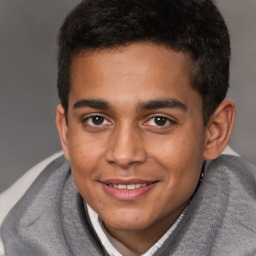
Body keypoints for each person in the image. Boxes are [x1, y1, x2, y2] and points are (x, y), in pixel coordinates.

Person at [1, 0, 256, 255]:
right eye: (97, 120)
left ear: (214, 132)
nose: (123, 155)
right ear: (66, 132)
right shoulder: (10, 229)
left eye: (159, 121)